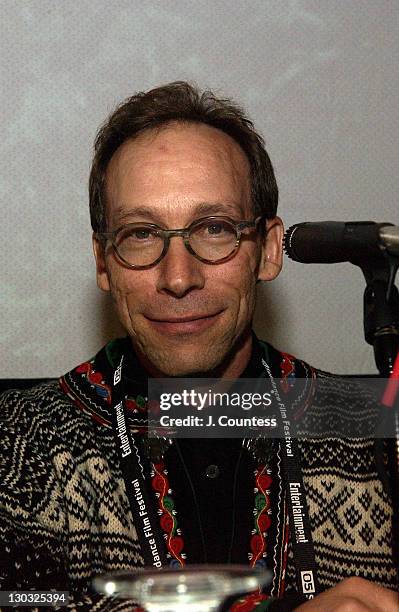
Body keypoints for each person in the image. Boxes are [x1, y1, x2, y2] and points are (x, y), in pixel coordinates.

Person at [0, 81, 398, 611]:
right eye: (141, 234)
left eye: (214, 229)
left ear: (270, 250)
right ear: (103, 261)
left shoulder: (377, 441)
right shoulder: (22, 445)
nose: (179, 277)